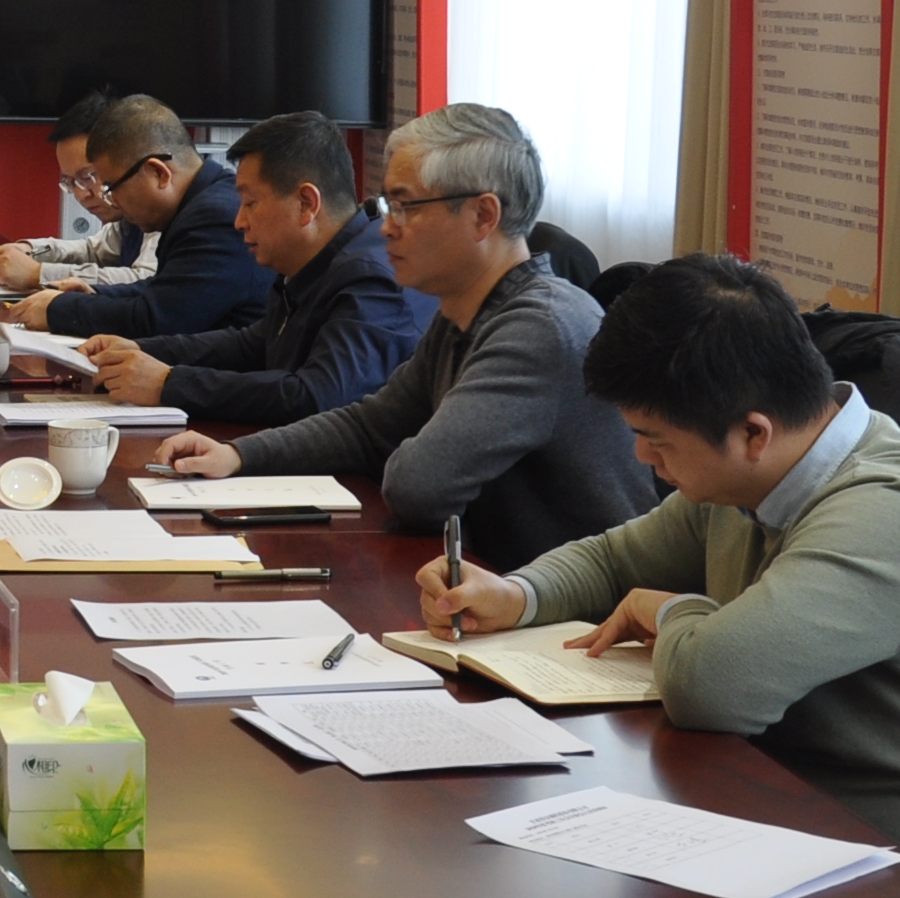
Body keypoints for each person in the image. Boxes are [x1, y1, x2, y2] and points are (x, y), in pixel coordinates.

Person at [417, 255, 900, 898]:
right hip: (802, 822)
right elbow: (616, 559)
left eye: (657, 439)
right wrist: (516, 593)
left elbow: (714, 686)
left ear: (753, 432)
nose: (641, 455)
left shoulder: (890, 510)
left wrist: (675, 611)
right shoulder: (756, 475)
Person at [158, 102, 652, 563]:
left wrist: (406, 447)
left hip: (581, 609)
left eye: (406, 206)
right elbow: (369, 426)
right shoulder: (465, 313)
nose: (387, 228)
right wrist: (239, 454)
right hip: (506, 586)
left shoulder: (537, 328)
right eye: (388, 205)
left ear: (483, 216)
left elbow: (419, 487)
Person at [80, 109, 430, 430]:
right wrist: (140, 350)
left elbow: (318, 397)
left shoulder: (371, 279)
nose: (239, 221)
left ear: (306, 203)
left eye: (250, 203)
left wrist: (169, 384)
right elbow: (253, 344)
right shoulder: (314, 263)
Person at [0, 95, 272, 340]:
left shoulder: (215, 218)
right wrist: (96, 293)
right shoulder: (197, 204)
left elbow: (157, 320)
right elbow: (165, 289)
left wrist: (59, 310)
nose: (112, 200)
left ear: (159, 173)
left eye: (111, 186)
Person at [0, 95, 146, 294]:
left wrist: (37, 274)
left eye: (87, 176)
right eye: (70, 182)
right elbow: (93, 251)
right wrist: (30, 250)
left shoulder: (164, 213)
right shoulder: (127, 217)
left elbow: (147, 280)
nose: (81, 194)